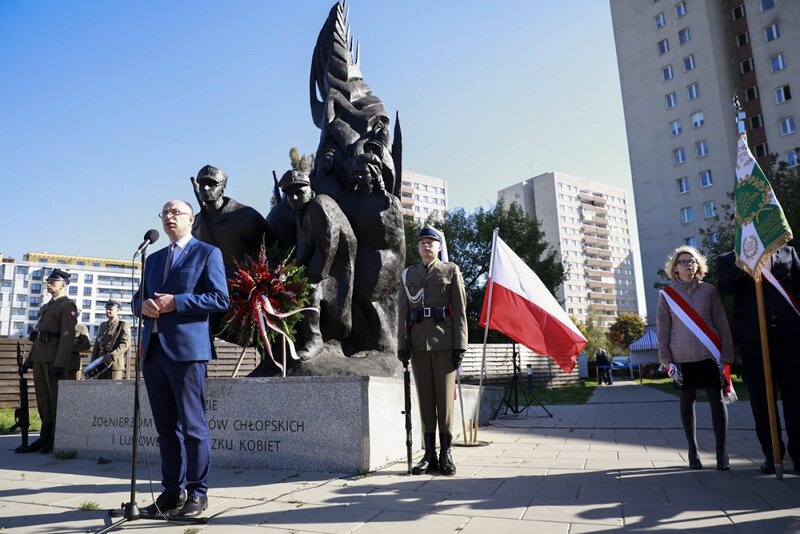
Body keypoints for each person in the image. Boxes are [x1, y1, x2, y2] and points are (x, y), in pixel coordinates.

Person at [132, 199, 229, 518]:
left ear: (191, 219)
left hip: (187, 352)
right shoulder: (154, 257)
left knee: (192, 426)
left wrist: (179, 302)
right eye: (164, 213)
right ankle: (171, 492)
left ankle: (197, 493)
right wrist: (142, 306)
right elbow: (138, 299)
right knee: (165, 429)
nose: (169, 217)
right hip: (154, 350)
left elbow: (219, 298)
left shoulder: (207, 253)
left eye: (176, 212)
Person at [717, 246, 800, 474]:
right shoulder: (728, 259)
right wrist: (742, 261)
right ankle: (772, 454)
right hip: (754, 340)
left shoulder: (787, 253)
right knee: (762, 400)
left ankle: (799, 454)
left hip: (789, 336)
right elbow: (725, 287)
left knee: (795, 398)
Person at [398, 226, 468, 476]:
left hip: (444, 343)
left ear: (439, 247)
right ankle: (429, 454)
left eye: (431, 242)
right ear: (418, 248)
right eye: (422, 242)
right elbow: (403, 312)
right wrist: (401, 343)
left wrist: (460, 344)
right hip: (417, 344)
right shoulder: (408, 275)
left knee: (444, 401)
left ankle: (445, 453)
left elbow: (460, 310)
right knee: (425, 400)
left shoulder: (451, 271)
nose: (426, 246)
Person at [657, 246, 734, 470]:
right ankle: (693, 450)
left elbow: (721, 322)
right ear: (675, 268)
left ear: (698, 265)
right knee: (687, 399)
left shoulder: (709, 290)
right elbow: (663, 329)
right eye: (683, 262)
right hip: (682, 356)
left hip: (710, 354)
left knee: (717, 401)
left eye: (692, 261)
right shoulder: (667, 295)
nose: (688, 265)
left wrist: (727, 354)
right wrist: (665, 358)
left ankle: (722, 453)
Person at [278, 169, 356, 361]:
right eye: (289, 194)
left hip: (336, 264)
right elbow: (305, 247)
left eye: (299, 191)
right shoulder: (301, 212)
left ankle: (315, 340)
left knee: (310, 291)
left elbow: (329, 243)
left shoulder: (319, 204)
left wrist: (314, 277)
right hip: (321, 258)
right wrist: (288, 270)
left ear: (310, 189)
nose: (294, 197)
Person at [17, 269, 78, 454]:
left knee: (55, 399)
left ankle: (55, 437)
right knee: (43, 399)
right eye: (48, 281)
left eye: (53, 281)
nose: (49, 284)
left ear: (64, 284)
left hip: (54, 360)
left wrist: (60, 363)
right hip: (40, 358)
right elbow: (39, 338)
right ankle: (44, 435)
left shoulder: (68, 306)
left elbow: (67, 338)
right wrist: (29, 361)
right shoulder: (46, 307)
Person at [91, 299, 131, 380]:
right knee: (99, 389)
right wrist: (92, 363)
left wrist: (112, 355)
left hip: (114, 364)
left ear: (117, 310)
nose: (108, 311)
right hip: (100, 363)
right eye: (106, 309)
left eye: (110, 309)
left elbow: (125, 344)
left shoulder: (122, 325)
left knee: (113, 390)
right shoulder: (102, 325)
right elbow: (97, 345)